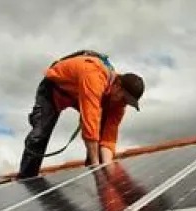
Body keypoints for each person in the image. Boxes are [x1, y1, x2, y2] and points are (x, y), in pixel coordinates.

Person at [16, 50, 145, 179]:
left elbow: (109, 139)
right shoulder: (94, 76)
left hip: (78, 95)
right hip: (54, 89)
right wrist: (96, 166)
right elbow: (90, 123)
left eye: (128, 102)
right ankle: (26, 178)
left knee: (100, 142)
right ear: (117, 85)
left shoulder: (119, 104)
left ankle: (98, 183)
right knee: (39, 134)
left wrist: (108, 169)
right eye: (124, 98)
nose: (124, 103)